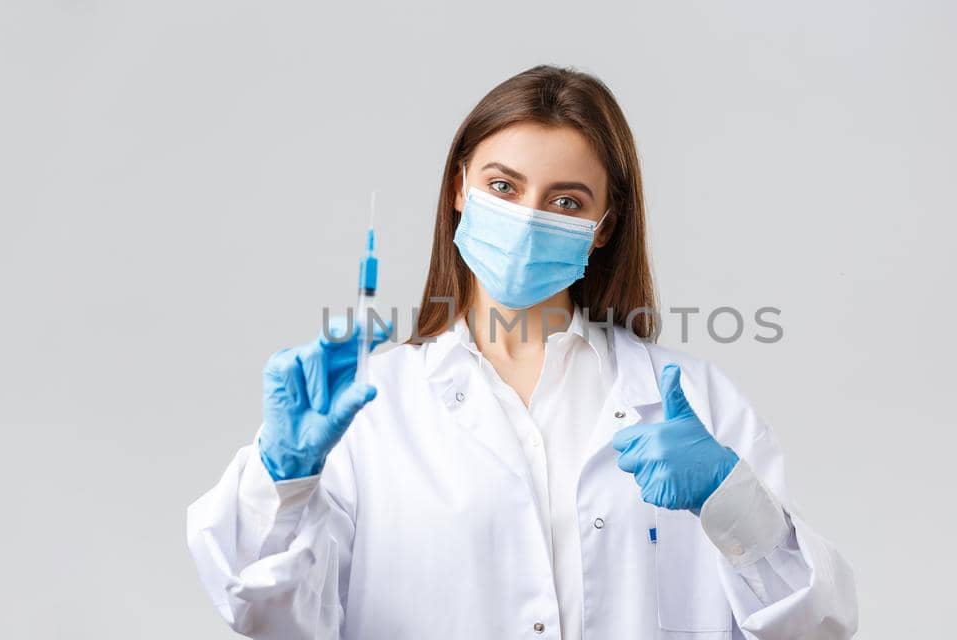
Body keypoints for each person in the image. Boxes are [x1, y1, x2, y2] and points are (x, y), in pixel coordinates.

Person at [186, 65, 858, 639]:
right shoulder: (366, 407)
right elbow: (265, 612)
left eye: (566, 201)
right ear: (458, 189)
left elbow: (818, 625)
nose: (530, 217)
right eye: (503, 187)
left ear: (603, 229)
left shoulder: (693, 403)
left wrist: (728, 499)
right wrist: (285, 476)